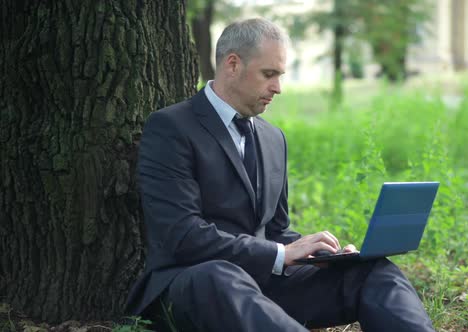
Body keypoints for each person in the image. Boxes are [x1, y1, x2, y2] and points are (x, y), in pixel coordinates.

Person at [125, 18, 435, 331]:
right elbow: (182, 235)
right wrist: (280, 253)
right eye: (269, 74)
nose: (278, 87)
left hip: (264, 287)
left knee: (373, 271)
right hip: (193, 285)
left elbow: (275, 231)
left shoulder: (273, 139)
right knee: (219, 277)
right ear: (233, 64)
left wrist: (321, 253)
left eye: (279, 75)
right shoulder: (171, 127)